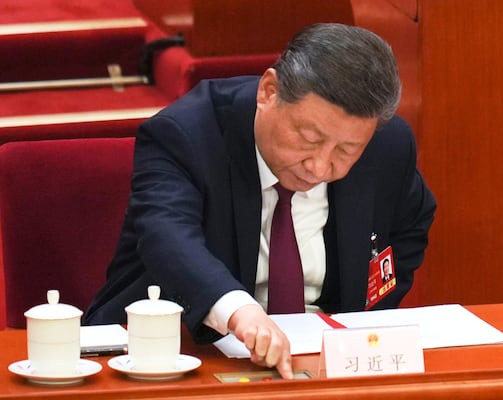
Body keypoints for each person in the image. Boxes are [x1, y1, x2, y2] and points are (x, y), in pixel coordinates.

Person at [84, 23, 436, 379]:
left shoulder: (388, 146)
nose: (319, 166)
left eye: (346, 150)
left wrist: (362, 323)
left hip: (321, 364)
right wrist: (242, 314)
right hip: (174, 353)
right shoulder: (186, 135)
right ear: (269, 91)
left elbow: (413, 224)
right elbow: (167, 237)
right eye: (309, 138)